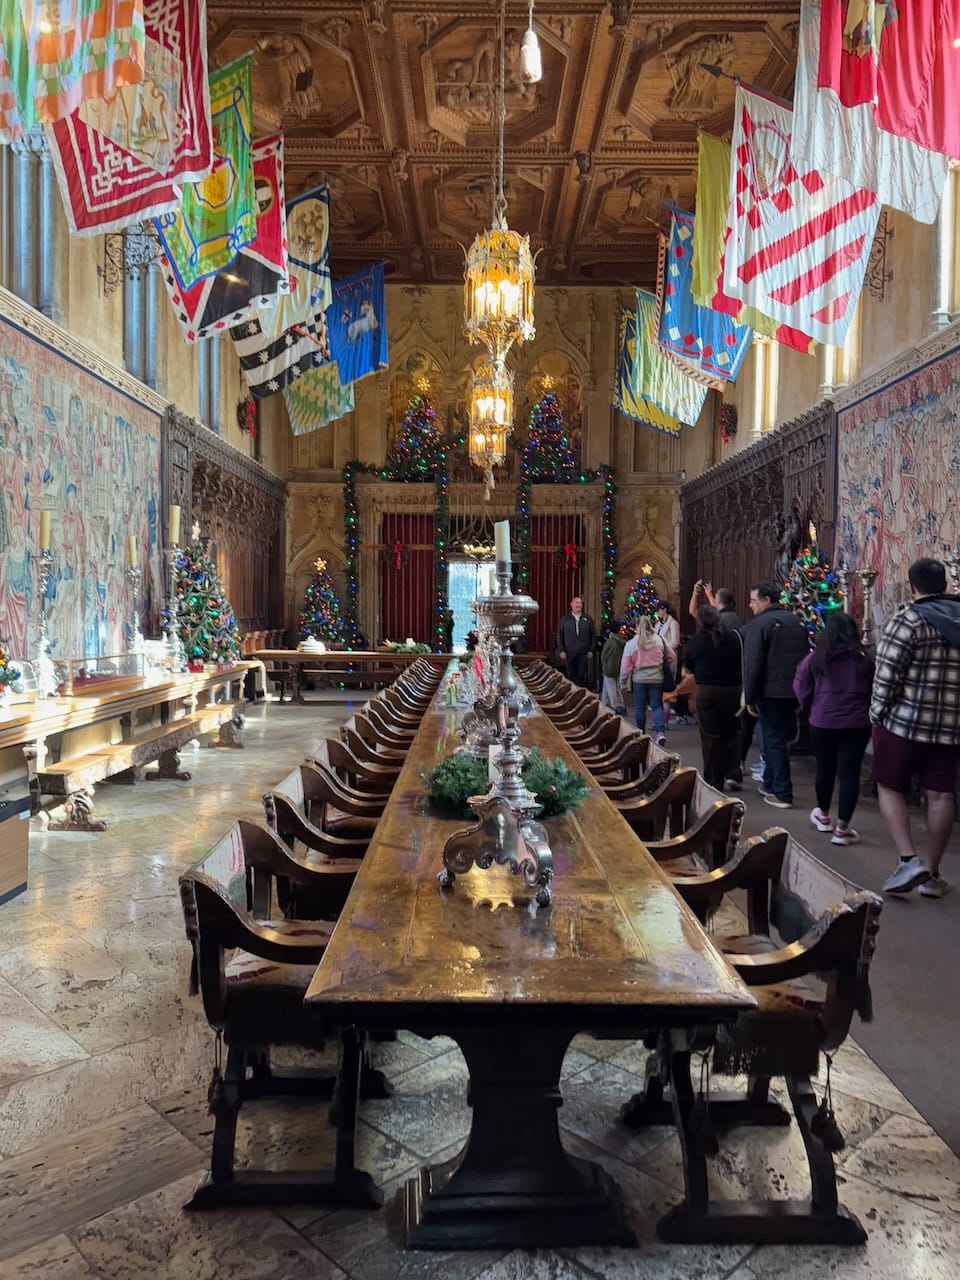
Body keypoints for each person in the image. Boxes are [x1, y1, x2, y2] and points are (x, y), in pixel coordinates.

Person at [870, 557, 960, 898]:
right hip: (951, 729)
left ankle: (909, 859)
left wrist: (877, 713)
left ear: (912, 588)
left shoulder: (908, 619)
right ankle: (932, 875)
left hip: (904, 725)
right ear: (946, 585)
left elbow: (887, 673)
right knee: (941, 795)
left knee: (889, 785)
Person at [793, 612, 874, 845]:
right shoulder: (864, 660)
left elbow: (801, 685)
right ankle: (842, 829)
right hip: (857, 723)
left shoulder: (816, 659)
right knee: (850, 774)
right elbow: (874, 688)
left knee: (824, 770)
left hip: (823, 721)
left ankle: (824, 816)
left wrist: (808, 704)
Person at [742, 581, 810, 809]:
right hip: (792, 691)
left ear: (766, 600)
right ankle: (770, 783)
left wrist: (749, 697)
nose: (750, 605)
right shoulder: (796, 621)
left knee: (774, 741)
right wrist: (802, 694)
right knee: (780, 739)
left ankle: (782, 793)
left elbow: (753, 664)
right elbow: (804, 661)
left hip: (770, 692)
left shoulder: (759, 624)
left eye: (753, 600)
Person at [683, 605, 743, 789]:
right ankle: (733, 774)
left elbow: (688, 668)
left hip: (707, 691)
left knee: (710, 736)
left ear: (700, 621)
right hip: (733, 690)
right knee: (732, 732)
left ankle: (714, 780)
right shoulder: (734, 637)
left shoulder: (695, 642)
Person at [620, 615, 675, 745]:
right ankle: (660, 733)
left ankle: (641, 733)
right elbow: (671, 656)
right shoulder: (659, 640)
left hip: (639, 680)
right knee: (656, 706)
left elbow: (625, 667)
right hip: (657, 678)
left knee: (640, 708)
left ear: (637, 627)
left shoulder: (631, 644)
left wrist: (622, 683)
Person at [556, 596, 597, 688]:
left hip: (583, 653)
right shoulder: (565, 619)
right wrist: (561, 650)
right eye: (577, 603)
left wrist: (591, 650)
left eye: (580, 603)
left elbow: (593, 635)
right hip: (569, 653)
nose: (579, 605)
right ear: (571, 604)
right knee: (570, 675)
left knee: (581, 675)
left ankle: (580, 694)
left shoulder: (588, 619)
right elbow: (559, 635)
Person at [599, 620, 628, 715]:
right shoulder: (621, 641)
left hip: (609, 667)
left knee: (612, 688)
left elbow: (604, 656)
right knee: (611, 687)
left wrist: (604, 666)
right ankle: (605, 703)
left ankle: (616, 706)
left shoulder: (610, 642)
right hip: (617, 667)